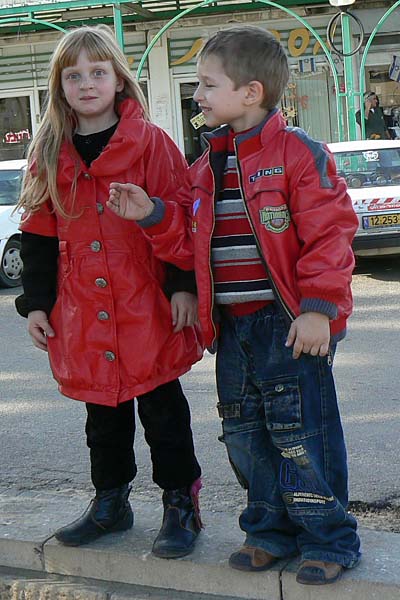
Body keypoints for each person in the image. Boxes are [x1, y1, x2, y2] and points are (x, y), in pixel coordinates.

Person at [106, 26, 361, 586]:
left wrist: (318, 308)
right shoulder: (207, 167)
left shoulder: (299, 153)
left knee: (302, 434)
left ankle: (328, 537)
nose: (197, 94)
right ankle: (269, 531)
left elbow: (332, 234)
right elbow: (187, 242)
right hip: (232, 328)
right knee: (245, 434)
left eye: (206, 84)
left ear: (251, 92)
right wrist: (151, 213)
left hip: (289, 323)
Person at [14, 24, 204, 559]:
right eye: (73, 75)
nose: (87, 83)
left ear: (119, 80)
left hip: (145, 300)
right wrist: (35, 304)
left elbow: (179, 218)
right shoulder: (48, 151)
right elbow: (38, 234)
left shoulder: (152, 144)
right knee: (102, 415)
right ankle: (110, 501)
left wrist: (182, 285)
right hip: (81, 306)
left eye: (98, 72)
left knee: (163, 409)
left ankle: (180, 502)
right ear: (60, 86)